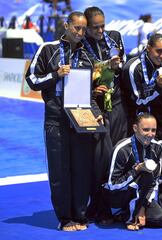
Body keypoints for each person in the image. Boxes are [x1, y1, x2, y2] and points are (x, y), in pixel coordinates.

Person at [25, 11, 102, 231]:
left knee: (81, 169)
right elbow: (32, 79)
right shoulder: (48, 49)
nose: (80, 32)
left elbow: (88, 93)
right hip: (56, 118)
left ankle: (80, 215)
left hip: (79, 117)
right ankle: (65, 218)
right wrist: (56, 74)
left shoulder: (87, 56)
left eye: (83, 29)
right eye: (77, 28)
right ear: (66, 26)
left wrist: (95, 111)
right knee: (60, 170)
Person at [82, 6, 128, 225]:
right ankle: (98, 206)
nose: (101, 31)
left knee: (116, 157)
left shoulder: (115, 38)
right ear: (87, 27)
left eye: (103, 25)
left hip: (117, 105)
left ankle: (112, 205)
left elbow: (122, 67)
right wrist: (93, 86)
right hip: (95, 107)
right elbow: (80, 75)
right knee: (98, 160)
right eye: (95, 27)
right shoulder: (81, 44)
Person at [105, 112, 162, 231]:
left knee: (160, 219)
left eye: (153, 130)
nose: (150, 134)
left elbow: (155, 181)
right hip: (120, 194)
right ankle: (129, 214)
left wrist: (142, 206)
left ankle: (129, 213)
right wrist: (135, 171)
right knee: (144, 175)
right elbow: (112, 185)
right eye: (145, 130)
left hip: (142, 195)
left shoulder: (157, 147)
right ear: (135, 128)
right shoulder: (122, 149)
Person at [122, 33, 162, 137]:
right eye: (159, 51)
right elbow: (138, 101)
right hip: (132, 121)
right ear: (148, 48)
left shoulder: (160, 65)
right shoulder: (133, 68)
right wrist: (158, 88)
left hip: (154, 121)